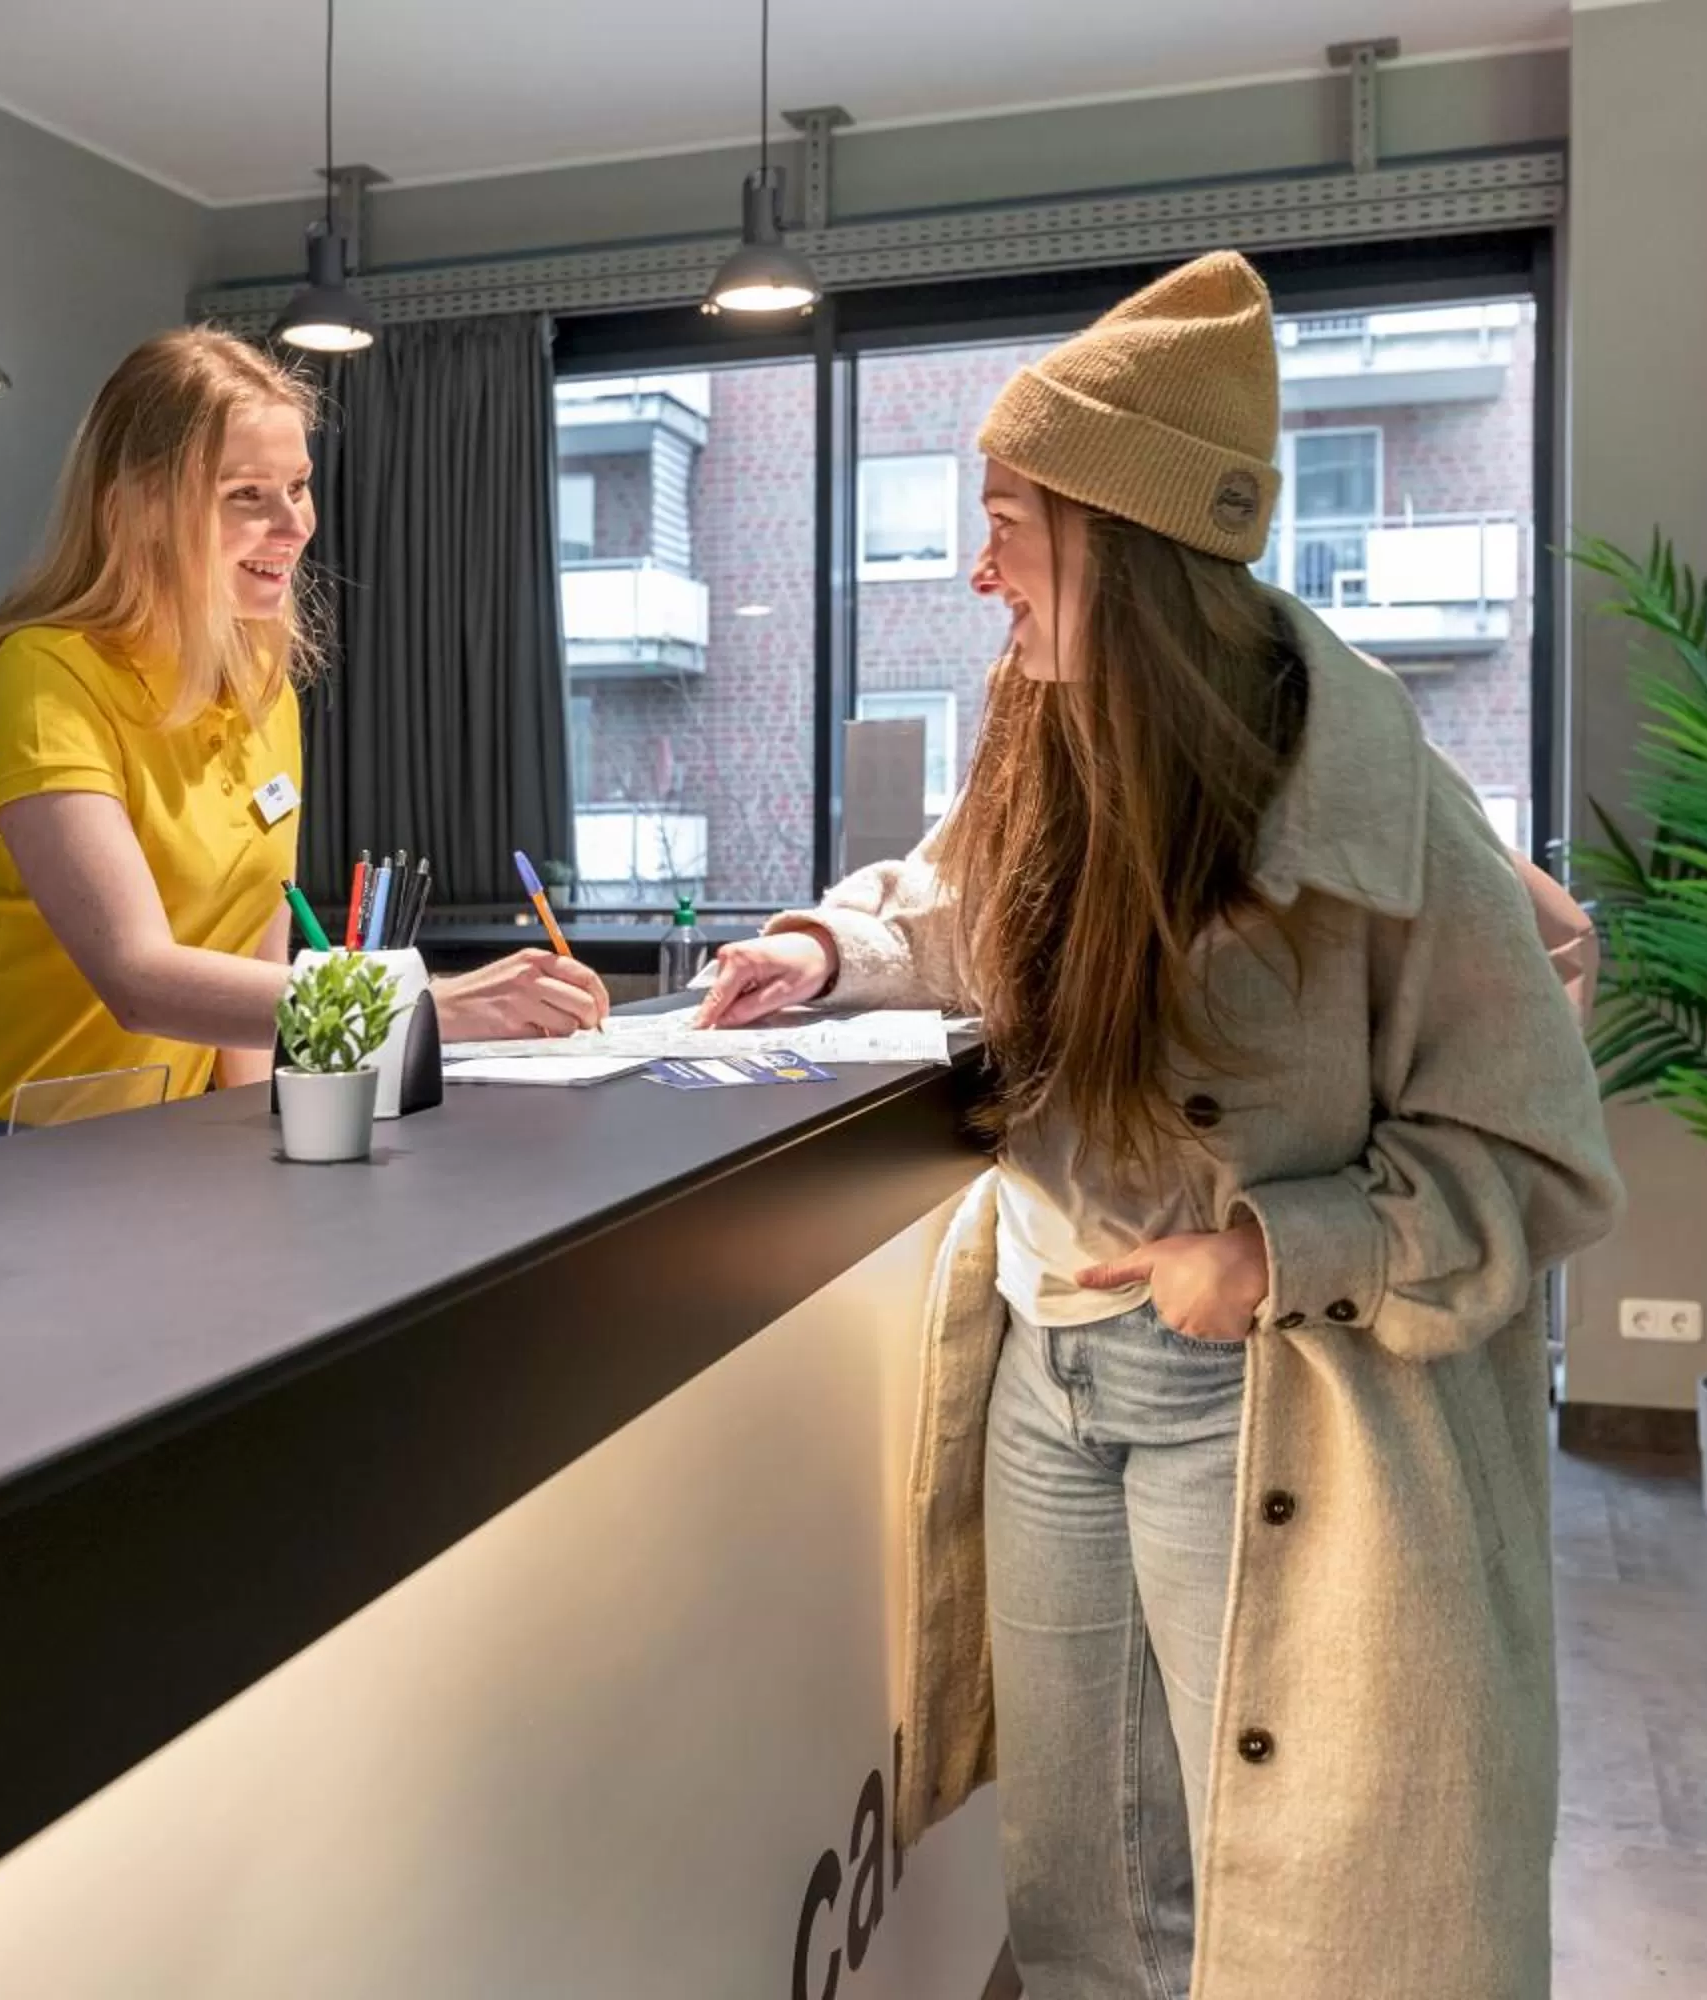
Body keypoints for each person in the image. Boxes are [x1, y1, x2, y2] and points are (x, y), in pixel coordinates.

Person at [699, 253, 1622, 2000]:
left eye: (1009, 524)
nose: (980, 570)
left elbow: (1535, 1157)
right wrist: (830, 943)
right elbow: (971, 902)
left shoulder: (1374, 792)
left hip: (1254, 1387)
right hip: (1051, 1371)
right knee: (1083, 1882)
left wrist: (1269, 1250)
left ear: (1116, 542)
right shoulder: (1045, 727)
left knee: (1273, 1896)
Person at [0, 329, 607, 1144]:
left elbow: (249, 970)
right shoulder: (44, 676)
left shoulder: (260, 689)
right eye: (247, 494)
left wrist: (263, 1143)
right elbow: (137, 978)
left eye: (299, 486)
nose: (294, 525)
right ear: (139, 505)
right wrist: (431, 1008)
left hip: (157, 1136)